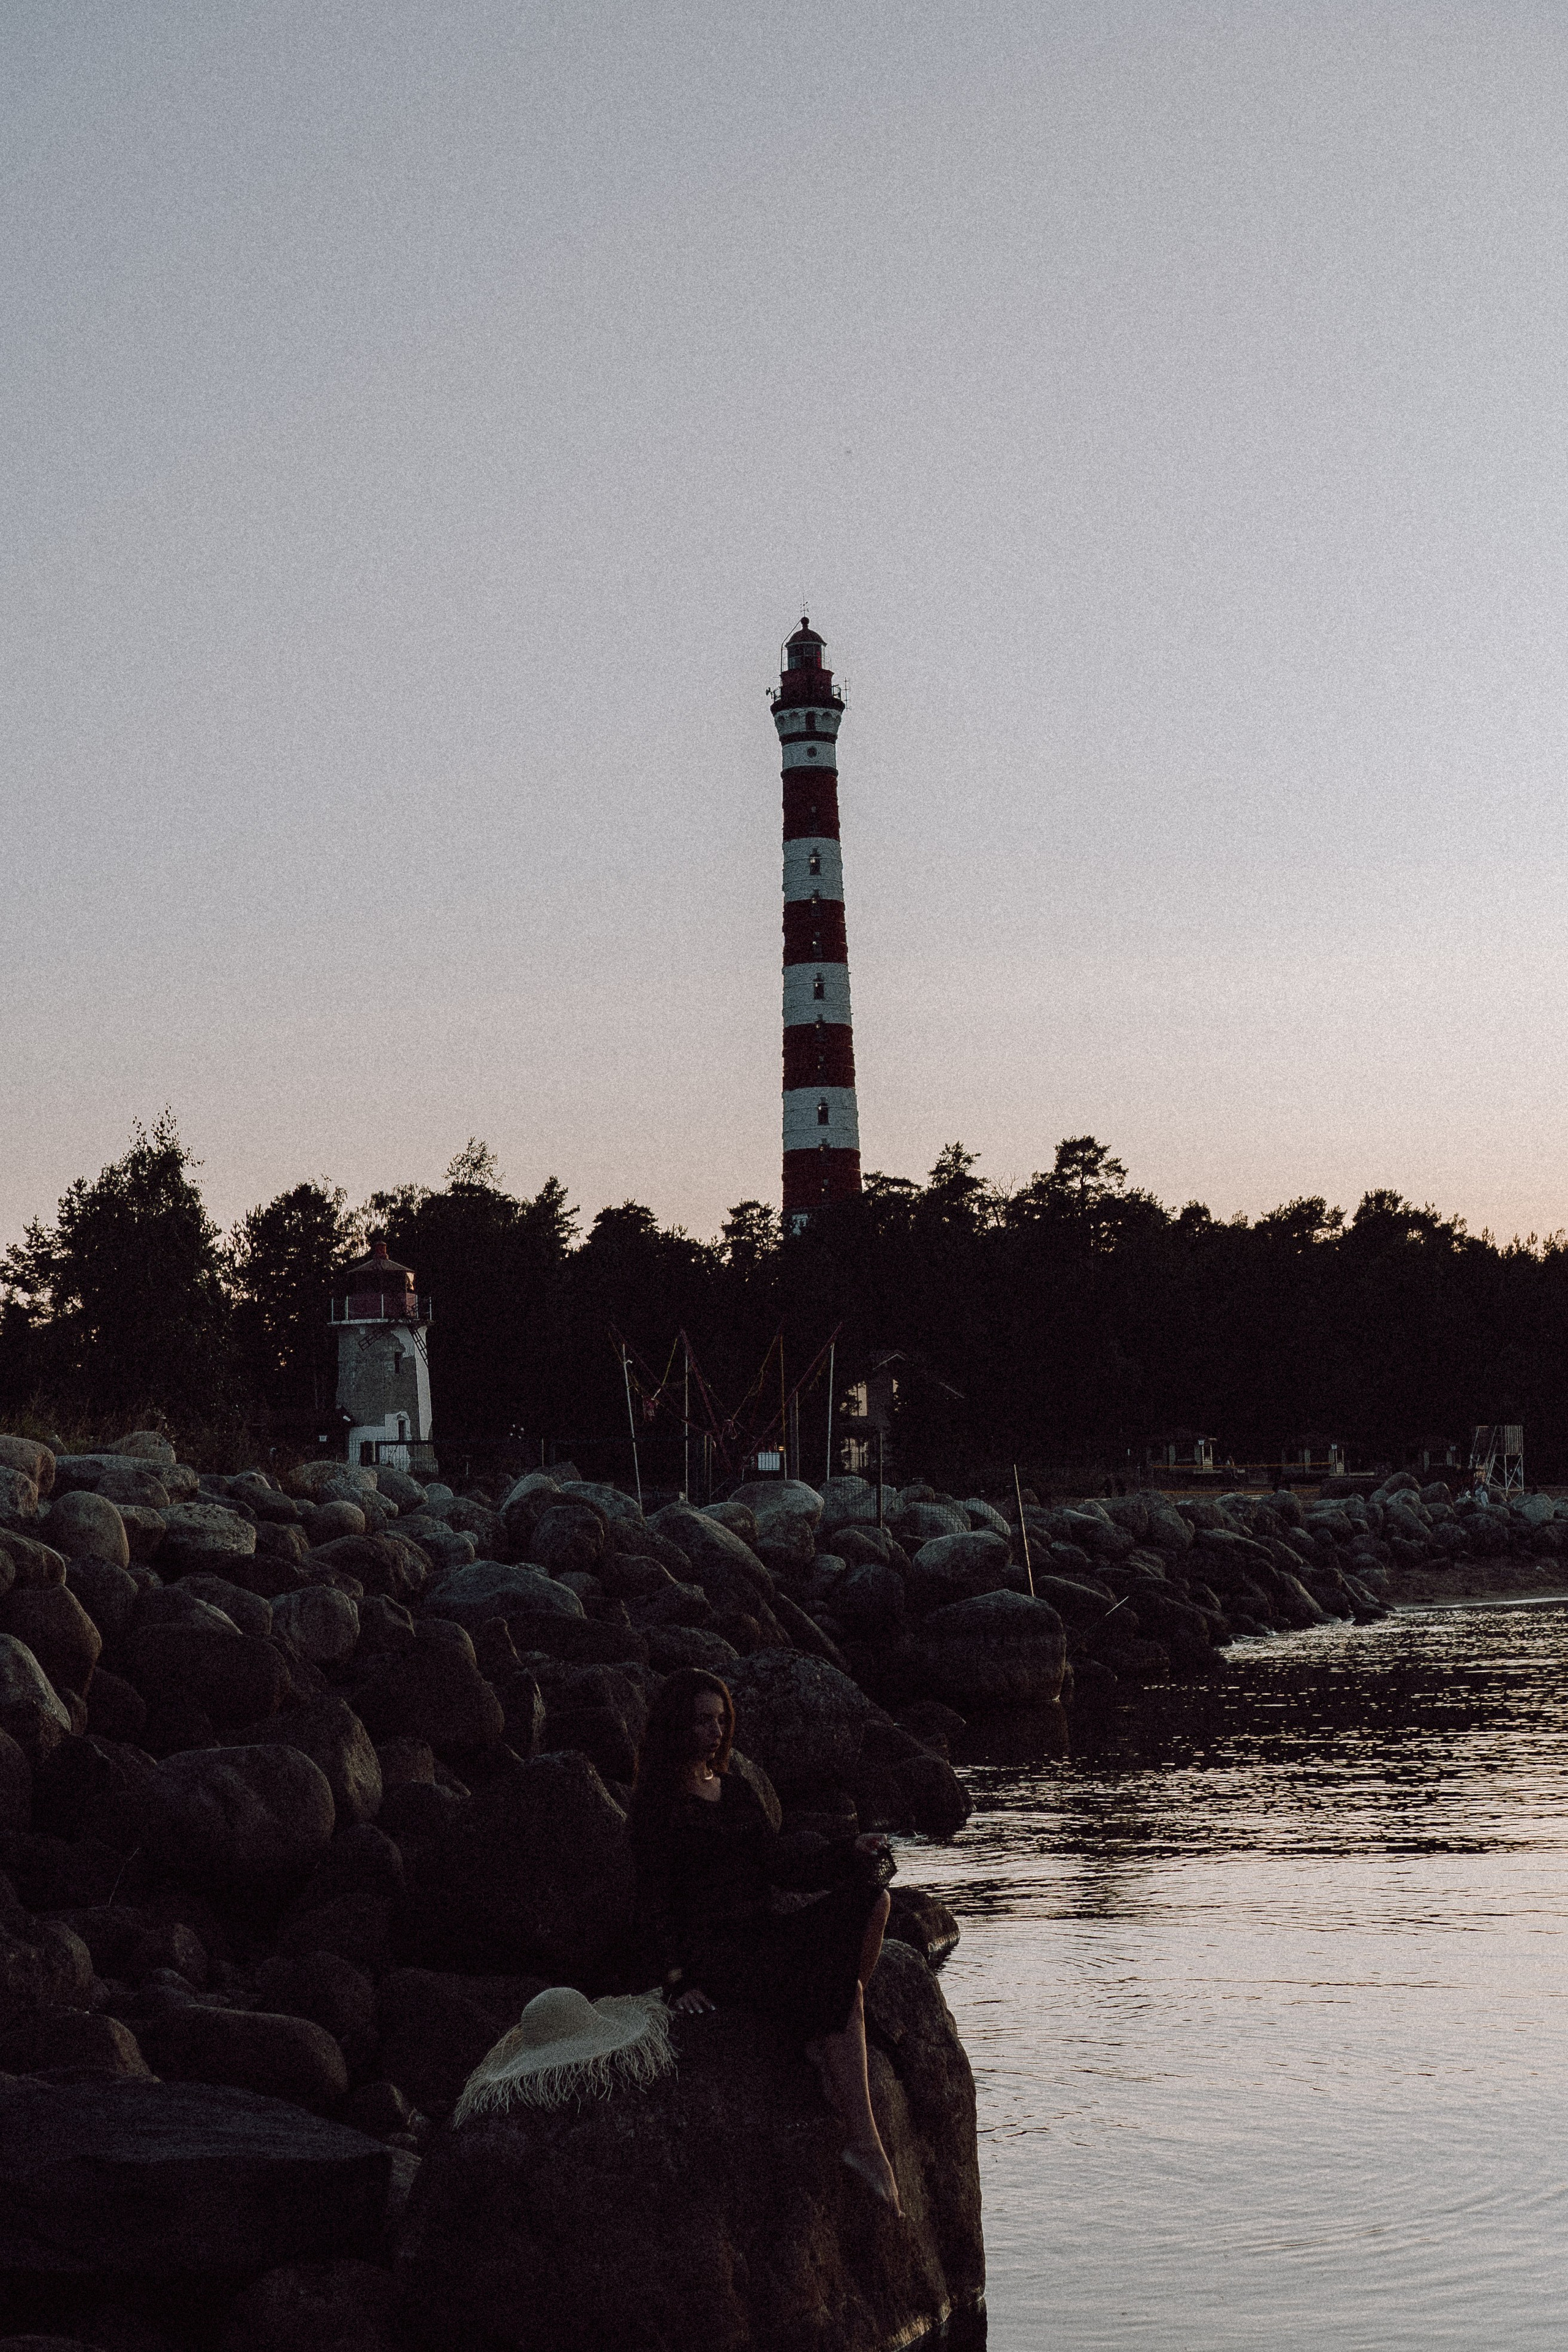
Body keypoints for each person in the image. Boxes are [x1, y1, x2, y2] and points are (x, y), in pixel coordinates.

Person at [629, 1667, 903, 2213]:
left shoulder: (732, 1790)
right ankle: (865, 2144)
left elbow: (780, 1864)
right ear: (676, 1726)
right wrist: (676, 1979)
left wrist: (850, 1851)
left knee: (874, 1900)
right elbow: (653, 1901)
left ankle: (830, 2030)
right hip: (718, 1954)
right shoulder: (656, 1804)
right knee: (837, 1990)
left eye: (722, 1720)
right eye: (702, 1721)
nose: (715, 1731)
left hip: (763, 1931)